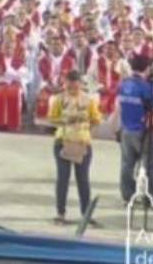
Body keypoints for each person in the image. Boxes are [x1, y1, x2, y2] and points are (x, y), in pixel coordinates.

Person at [48, 70, 102, 225]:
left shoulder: (88, 100)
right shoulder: (58, 99)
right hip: (63, 141)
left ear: (80, 82)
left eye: (75, 82)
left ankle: (86, 213)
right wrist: (66, 120)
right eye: (69, 82)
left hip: (82, 141)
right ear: (65, 82)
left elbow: (97, 119)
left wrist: (84, 122)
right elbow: (51, 119)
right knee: (62, 179)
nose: (72, 85)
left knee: (83, 179)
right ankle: (61, 213)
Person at [117, 54, 153, 204]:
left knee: (127, 164)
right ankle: (150, 196)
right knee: (149, 164)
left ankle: (127, 196)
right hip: (145, 129)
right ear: (147, 68)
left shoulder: (123, 83)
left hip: (126, 128)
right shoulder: (146, 86)